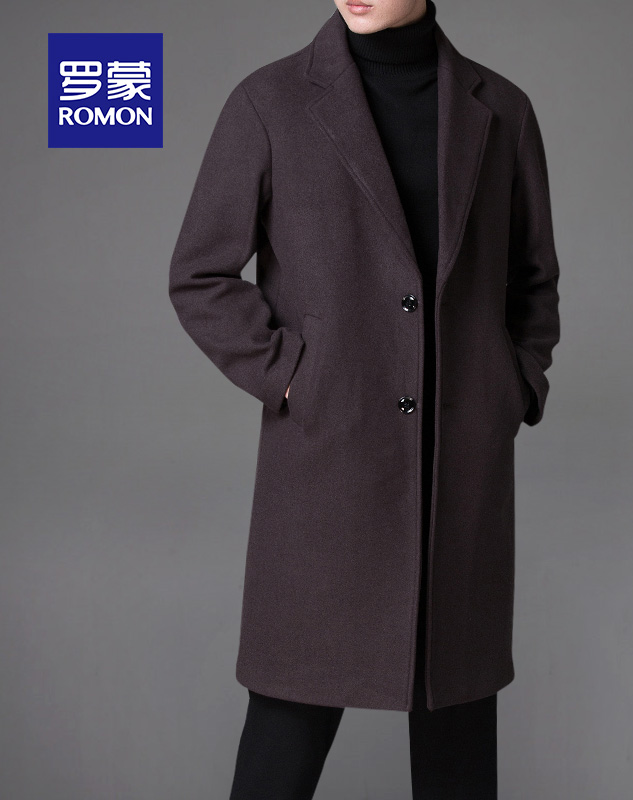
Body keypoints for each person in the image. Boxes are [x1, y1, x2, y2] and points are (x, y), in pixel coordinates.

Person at [169, 0, 560, 797]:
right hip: (328, 468)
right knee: (284, 734)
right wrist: (293, 374)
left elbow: (533, 279)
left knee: (457, 748)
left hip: (460, 475)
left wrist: (510, 382)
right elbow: (200, 274)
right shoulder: (270, 102)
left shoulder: (502, 110)